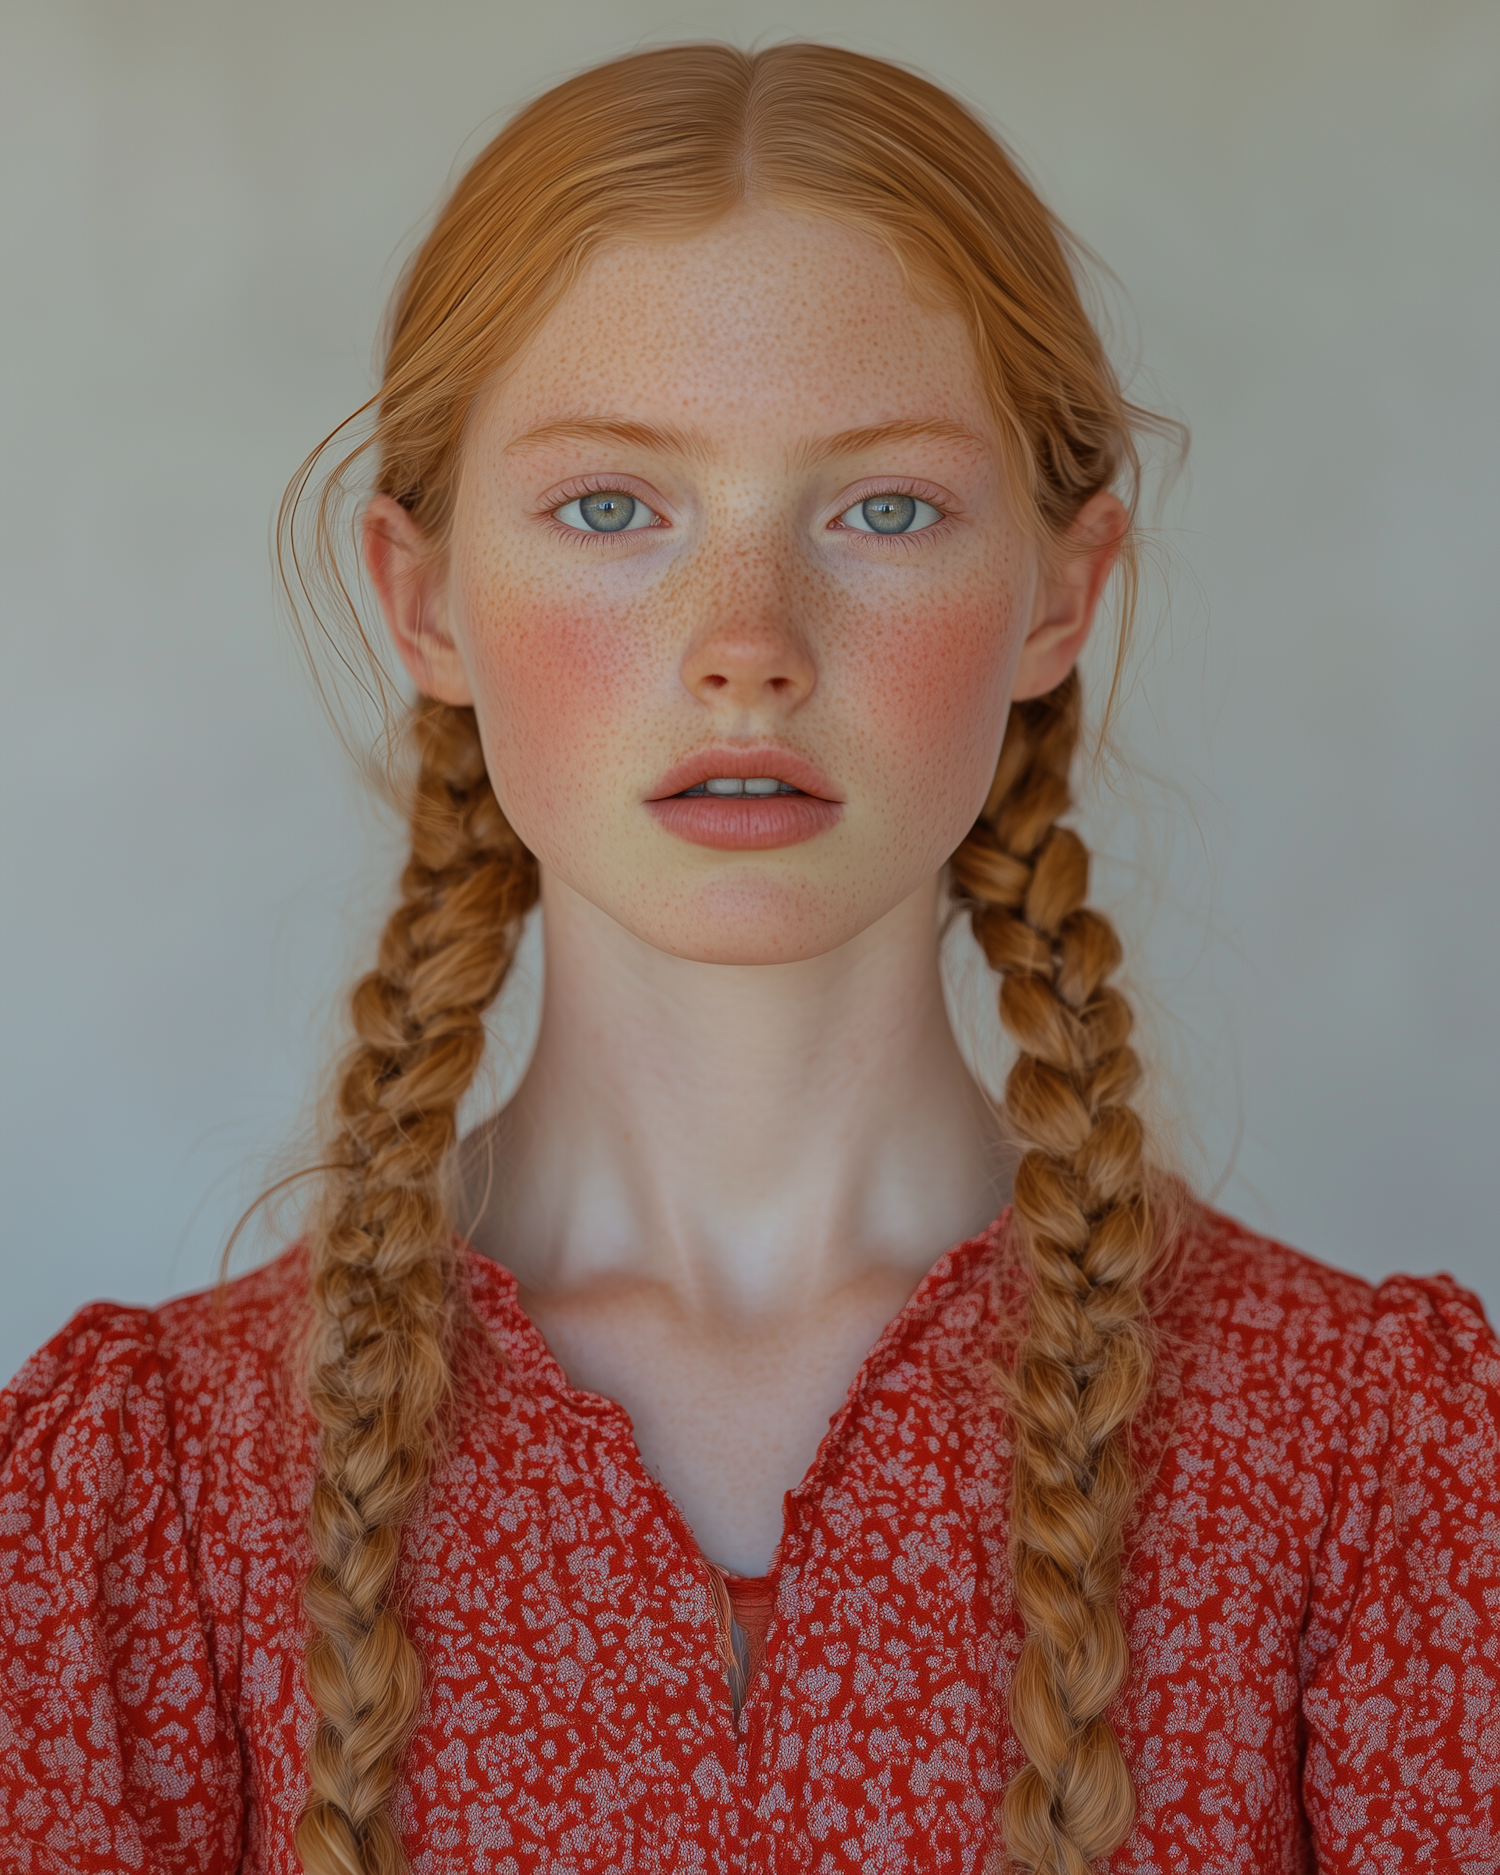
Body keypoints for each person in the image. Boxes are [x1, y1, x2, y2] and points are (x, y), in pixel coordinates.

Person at [1, 41, 1495, 1875]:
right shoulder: (137, 1502)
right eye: (613, 506)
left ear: (1060, 591)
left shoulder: (1376, 1473)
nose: (747, 646)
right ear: (422, 594)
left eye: (881, 508)